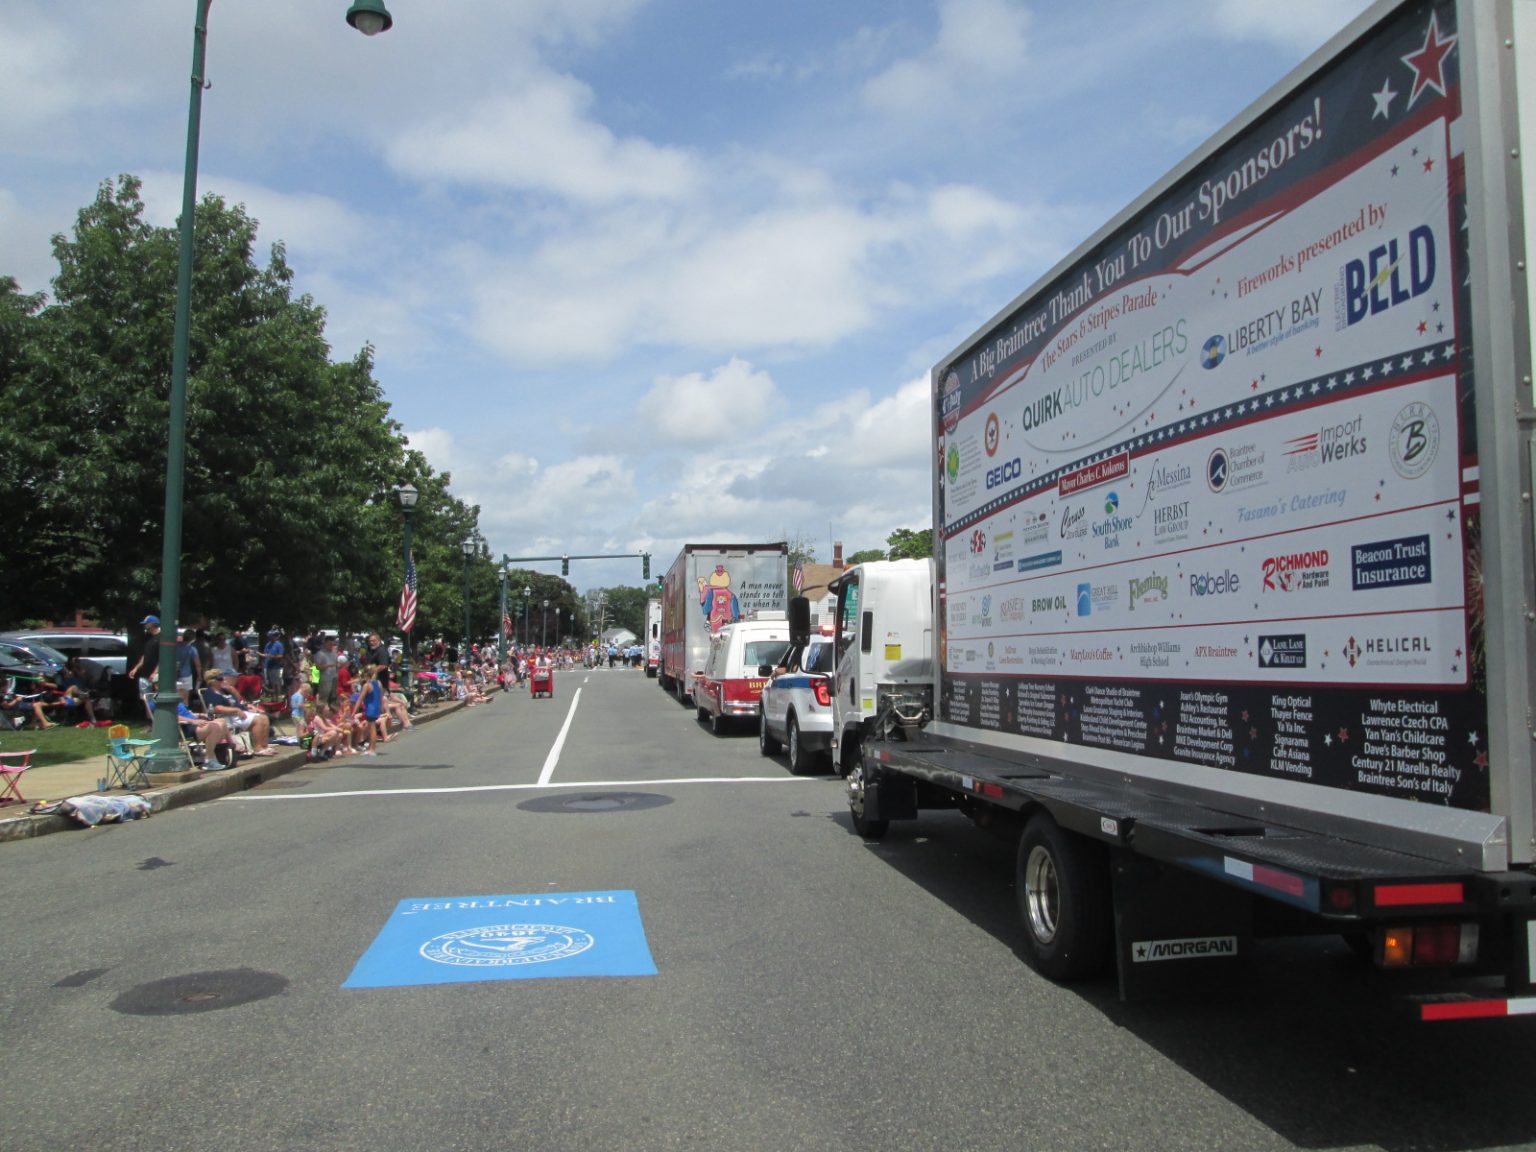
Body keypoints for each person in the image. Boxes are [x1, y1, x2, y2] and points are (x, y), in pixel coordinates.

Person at [200, 671, 276, 756]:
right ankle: (258, 748)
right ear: (213, 681)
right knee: (258, 720)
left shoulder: (225, 691)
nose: (223, 680)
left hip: (237, 714)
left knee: (264, 718)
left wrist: (232, 690)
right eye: (220, 679)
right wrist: (236, 710)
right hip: (227, 716)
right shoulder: (210, 693)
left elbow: (238, 700)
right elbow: (217, 708)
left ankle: (264, 746)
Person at [174, 628, 202, 701]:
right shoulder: (192, 649)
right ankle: (185, 709)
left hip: (174, 674)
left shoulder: (175, 646)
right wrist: (199, 675)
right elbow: (197, 664)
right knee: (185, 697)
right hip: (187, 675)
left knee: (175, 694)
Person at [313, 636, 339, 706]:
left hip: (334, 676)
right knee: (324, 696)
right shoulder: (320, 654)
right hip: (325, 678)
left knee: (334, 695)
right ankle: (321, 712)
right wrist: (329, 665)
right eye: (330, 644)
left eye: (333, 644)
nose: (331, 646)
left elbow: (336, 664)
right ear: (325, 643)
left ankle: (332, 711)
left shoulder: (333, 653)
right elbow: (317, 667)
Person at [261, 629, 285, 694]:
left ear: (274, 636)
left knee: (277, 682)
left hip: (276, 667)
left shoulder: (279, 645)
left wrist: (273, 657)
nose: (270, 638)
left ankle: (278, 696)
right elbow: (265, 654)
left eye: (271, 636)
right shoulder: (267, 645)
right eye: (269, 636)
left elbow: (281, 656)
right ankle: (273, 696)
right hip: (268, 666)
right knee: (271, 682)